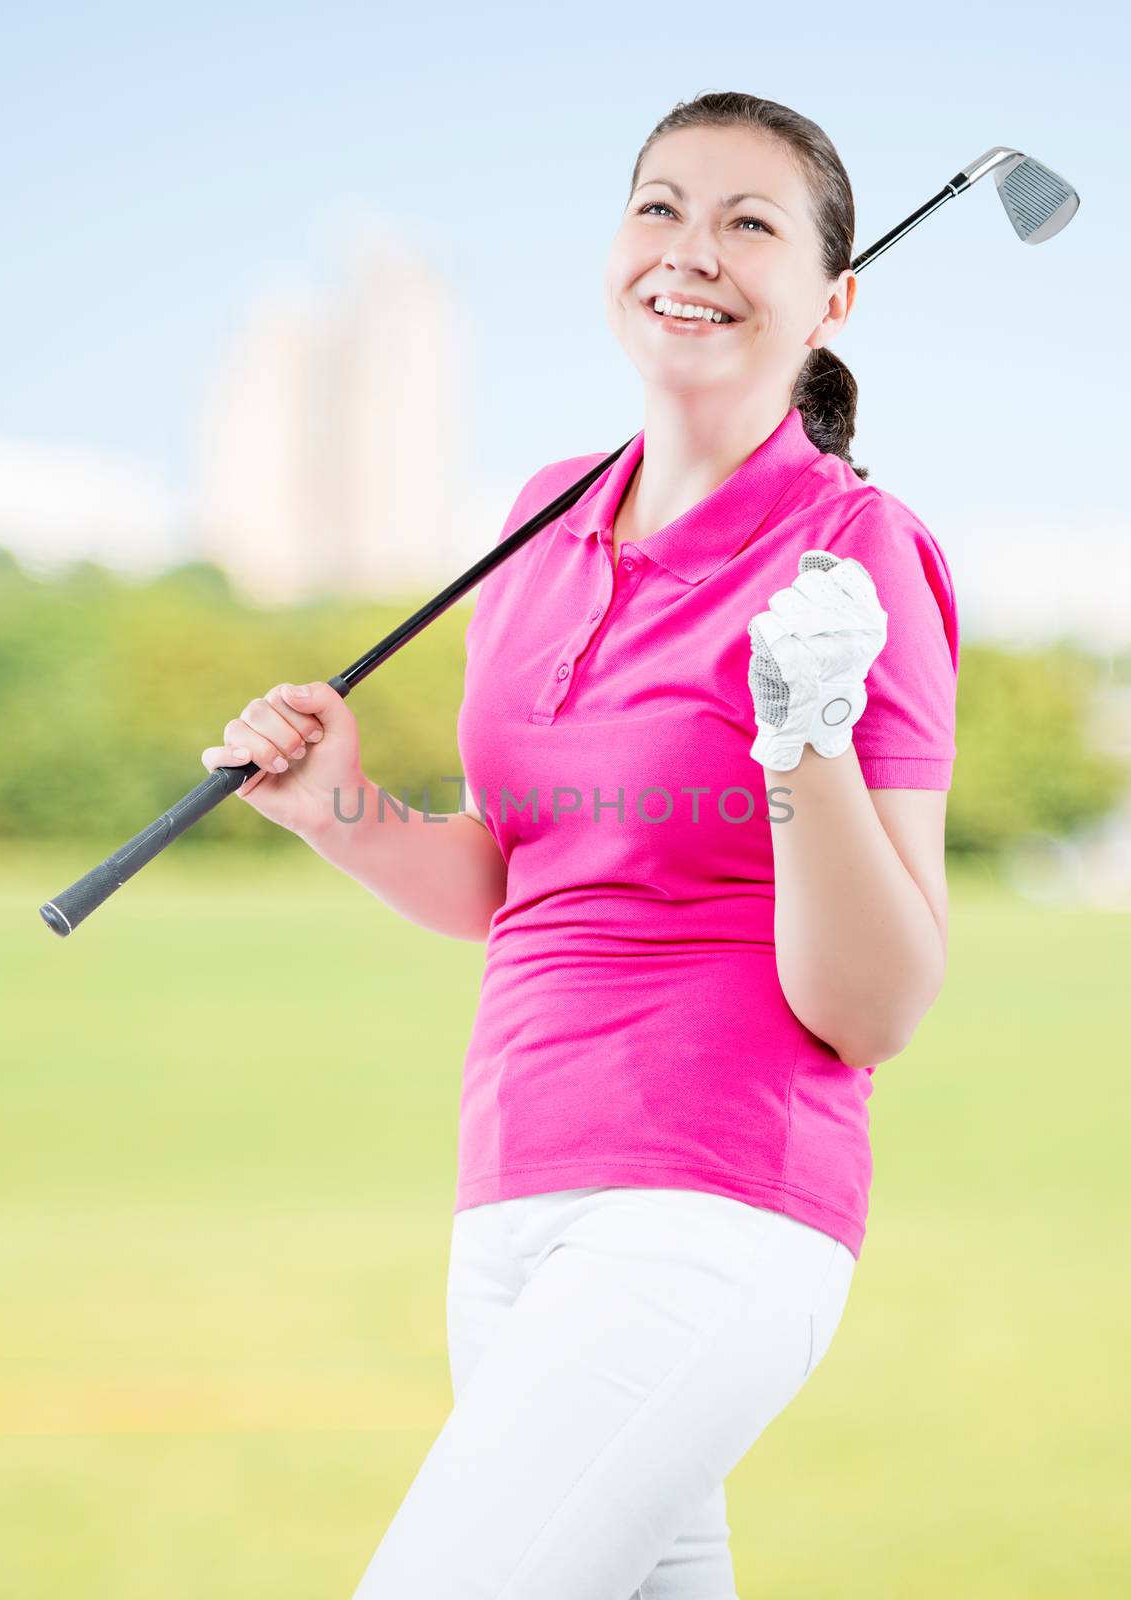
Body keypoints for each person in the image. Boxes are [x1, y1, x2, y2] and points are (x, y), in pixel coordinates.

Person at [202, 91, 958, 1600]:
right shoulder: (541, 515)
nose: (693, 250)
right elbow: (514, 880)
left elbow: (873, 1007)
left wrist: (800, 735)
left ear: (836, 296)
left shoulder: (855, 550)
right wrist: (338, 807)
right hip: (512, 1194)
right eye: (661, 207)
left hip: (713, 1202)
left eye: (752, 222)